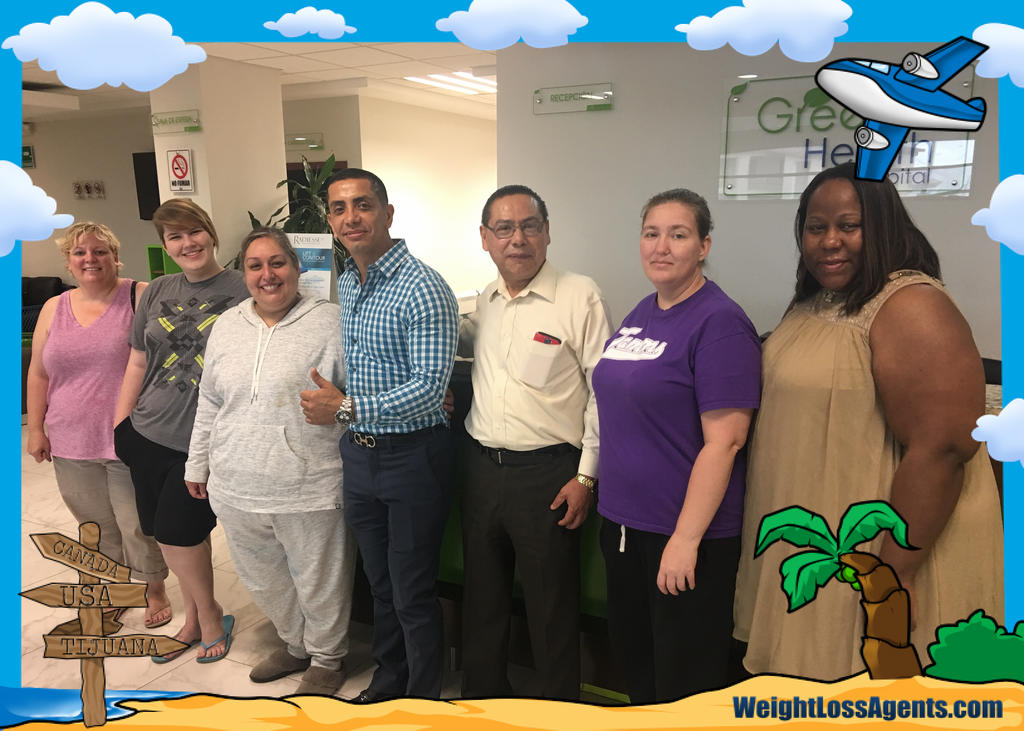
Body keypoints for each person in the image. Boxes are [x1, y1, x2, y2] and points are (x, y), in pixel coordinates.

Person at [733, 162, 1004, 680]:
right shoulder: (819, 299)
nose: (830, 241)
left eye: (849, 226)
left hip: (882, 555)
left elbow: (943, 449)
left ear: (881, 226)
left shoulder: (911, 304)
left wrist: (892, 577)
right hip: (821, 541)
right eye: (816, 227)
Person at [592, 189, 761, 703]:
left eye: (678, 234)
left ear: (703, 246)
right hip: (625, 527)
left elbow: (725, 442)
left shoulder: (720, 322)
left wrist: (685, 540)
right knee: (639, 672)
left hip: (685, 536)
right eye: (651, 233)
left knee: (683, 685)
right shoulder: (642, 311)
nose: (661, 246)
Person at [300, 168, 458, 701]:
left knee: (412, 590)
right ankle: (391, 678)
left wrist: (344, 407)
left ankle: (423, 698)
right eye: (339, 208)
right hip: (360, 456)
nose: (351, 217)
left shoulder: (424, 286)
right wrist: (345, 405)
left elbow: (429, 390)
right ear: (330, 220)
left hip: (413, 457)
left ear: (387, 213)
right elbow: (371, 367)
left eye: (363, 205)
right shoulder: (348, 281)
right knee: (382, 585)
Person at [184, 228, 357, 695]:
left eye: (278, 262)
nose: (268, 274)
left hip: (309, 483)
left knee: (320, 578)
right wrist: (197, 464)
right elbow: (210, 399)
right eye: (255, 265)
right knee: (265, 578)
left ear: (297, 268)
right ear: (243, 273)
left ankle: (326, 658)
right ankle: (296, 644)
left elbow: (357, 392)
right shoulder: (228, 324)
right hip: (235, 484)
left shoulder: (333, 321)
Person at [457, 184, 612, 700]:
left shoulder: (579, 295)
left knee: (551, 608)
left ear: (547, 232)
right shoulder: (485, 301)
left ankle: (556, 710)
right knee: (482, 601)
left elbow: (604, 393)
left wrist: (586, 476)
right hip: (482, 469)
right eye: (504, 228)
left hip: (549, 475)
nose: (517, 239)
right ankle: (482, 701)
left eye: (529, 226)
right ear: (485, 238)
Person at [113, 199, 249, 663]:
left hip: (204, 439)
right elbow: (137, 359)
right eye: (175, 236)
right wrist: (122, 424)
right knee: (177, 534)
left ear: (210, 233)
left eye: (194, 231)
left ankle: (209, 617)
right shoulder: (156, 290)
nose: (187, 243)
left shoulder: (243, 287)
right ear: (165, 245)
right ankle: (192, 621)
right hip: (147, 432)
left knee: (177, 534)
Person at [26, 222, 171, 628]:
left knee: (136, 523)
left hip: (130, 437)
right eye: (80, 252)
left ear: (115, 257)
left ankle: (154, 589)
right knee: (94, 524)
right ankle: (114, 587)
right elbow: (38, 373)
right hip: (70, 438)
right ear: (68, 262)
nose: (90, 259)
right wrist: (36, 428)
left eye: (99, 251)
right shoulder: (54, 308)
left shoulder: (139, 296)